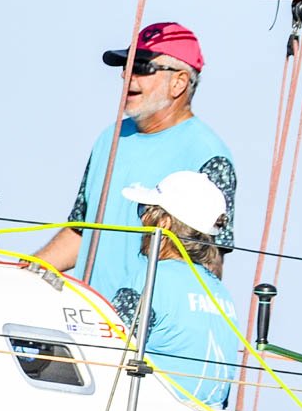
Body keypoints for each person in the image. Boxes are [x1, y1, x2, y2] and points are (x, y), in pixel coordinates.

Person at [32, 21, 235, 325]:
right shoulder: (110, 138)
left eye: (141, 67)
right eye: (126, 67)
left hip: (142, 334)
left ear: (179, 83)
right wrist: (26, 269)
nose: (127, 76)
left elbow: (208, 261)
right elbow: (82, 230)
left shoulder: (208, 153)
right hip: (84, 320)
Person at [120, 172, 237, 407]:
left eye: (144, 210)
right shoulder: (222, 293)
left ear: (164, 223)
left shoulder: (150, 280)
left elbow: (108, 355)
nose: (142, 220)